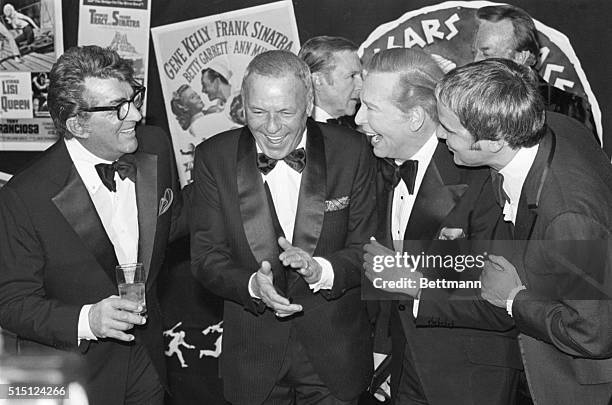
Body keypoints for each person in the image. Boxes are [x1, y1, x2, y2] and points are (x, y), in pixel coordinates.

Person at [0, 45, 187, 405]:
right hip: (73, 377)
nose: (134, 113)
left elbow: (173, 221)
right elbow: (11, 303)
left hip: (148, 364)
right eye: (118, 108)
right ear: (77, 124)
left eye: (133, 98)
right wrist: (89, 319)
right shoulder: (25, 197)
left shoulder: (156, 146)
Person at [191, 49, 377, 405]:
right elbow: (206, 258)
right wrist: (252, 286)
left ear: (308, 104)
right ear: (242, 105)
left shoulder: (352, 151)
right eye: (258, 112)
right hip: (253, 361)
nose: (272, 127)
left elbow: (369, 248)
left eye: (285, 112)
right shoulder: (213, 157)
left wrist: (321, 270)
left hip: (335, 357)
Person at [436, 58, 612, 405]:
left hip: (573, 386)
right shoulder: (555, 126)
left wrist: (513, 299)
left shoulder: (568, 218)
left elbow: (594, 333)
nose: (440, 135)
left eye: (449, 129)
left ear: (494, 141)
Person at [357, 48, 521, 405]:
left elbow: (503, 300)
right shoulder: (380, 165)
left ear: (415, 117)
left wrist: (415, 286)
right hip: (403, 373)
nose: (358, 118)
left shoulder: (478, 175)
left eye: (370, 108)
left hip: (470, 380)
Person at [474, 4, 598, 140]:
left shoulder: (568, 109)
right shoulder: (469, 102)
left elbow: (586, 160)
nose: (475, 61)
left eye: (486, 53)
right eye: (476, 52)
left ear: (520, 57)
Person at [298, 36, 362, 129]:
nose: (361, 85)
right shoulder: (297, 130)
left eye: (361, 76)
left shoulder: (361, 127)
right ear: (318, 80)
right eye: (352, 76)